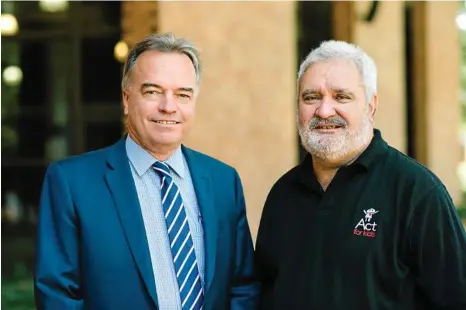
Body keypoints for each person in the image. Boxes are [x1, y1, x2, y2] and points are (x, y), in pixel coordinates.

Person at [34, 33, 260, 310]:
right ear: (127, 99)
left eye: (182, 94)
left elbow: (243, 286)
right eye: (152, 91)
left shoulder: (224, 182)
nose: (168, 106)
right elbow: (58, 296)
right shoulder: (71, 183)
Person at [255, 40, 466, 309]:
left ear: (371, 105)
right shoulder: (282, 194)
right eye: (311, 97)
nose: (324, 111)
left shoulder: (417, 193)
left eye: (341, 96)